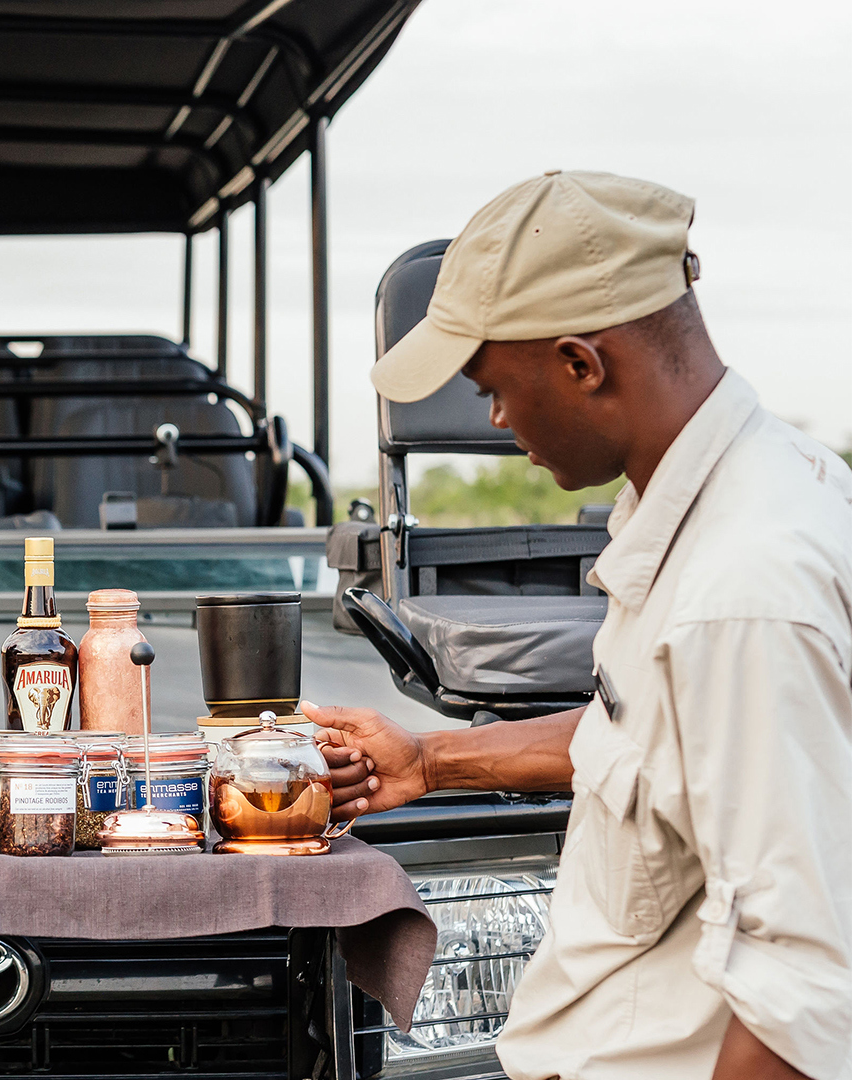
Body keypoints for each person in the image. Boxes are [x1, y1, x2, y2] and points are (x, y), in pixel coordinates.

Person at [312, 170, 851, 1079]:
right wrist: (429, 761)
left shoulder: (742, 586)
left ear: (580, 363)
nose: (496, 418)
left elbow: (802, 1000)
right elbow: (655, 734)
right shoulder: (731, 499)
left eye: (492, 386)